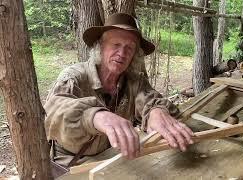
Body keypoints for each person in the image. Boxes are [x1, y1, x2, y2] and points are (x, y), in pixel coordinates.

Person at [44, 13, 194, 167]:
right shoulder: (74, 76)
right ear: (100, 47)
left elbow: (150, 99)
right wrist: (94, 116)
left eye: (129, 48)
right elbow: (52, 111)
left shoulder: (134, 81)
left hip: (110, 158)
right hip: (72, 164)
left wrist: (156, 111)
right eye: (116, 45)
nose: (122, 54)